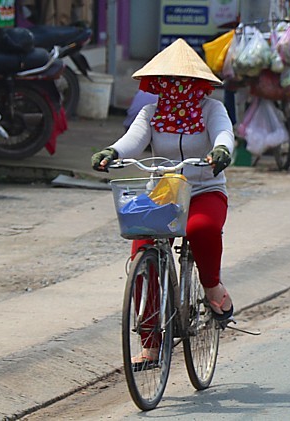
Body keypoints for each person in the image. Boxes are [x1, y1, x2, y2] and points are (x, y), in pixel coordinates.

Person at [91, 38, 235, 366]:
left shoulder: (212, 109)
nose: (176, 87)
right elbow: (133, 140)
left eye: (183, 81)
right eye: (169, 81)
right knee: (142, 249)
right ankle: (151, 342)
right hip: (164, 193)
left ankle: (212, 287)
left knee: (202, 228)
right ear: (158, 84)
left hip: (204, 190)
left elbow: (224, 133)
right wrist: (112, 152)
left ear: (198, 84)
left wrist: (221, 151)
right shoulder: (151, 112)